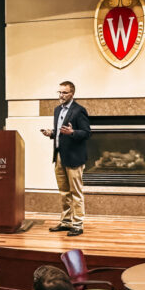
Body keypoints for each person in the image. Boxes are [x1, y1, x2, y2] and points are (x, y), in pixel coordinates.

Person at [41, 80, 90, 237]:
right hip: (59, 156)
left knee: (76, 192)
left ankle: (77, 224)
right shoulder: (57, 110)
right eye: (59, 92)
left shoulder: (79, 110)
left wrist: (73, 132)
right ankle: (66, 222)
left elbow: (86, 132)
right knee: (64, 192)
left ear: (72, 94)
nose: (61, 95)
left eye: (64, 92)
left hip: (74, 157)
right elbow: (61, 132)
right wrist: (52, 133)